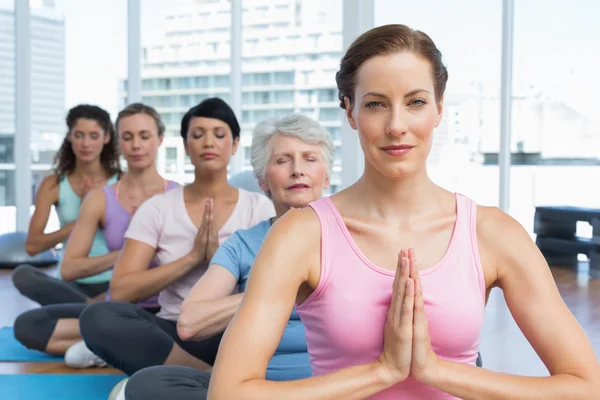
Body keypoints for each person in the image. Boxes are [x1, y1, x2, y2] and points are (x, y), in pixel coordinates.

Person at [206, 24, 600, 400]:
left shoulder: (492, 232)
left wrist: (435, 370)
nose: (397, 126)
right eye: (376, 104)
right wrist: (382, 371)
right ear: (350, 113)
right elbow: (228, 392)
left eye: (415, 102)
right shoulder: (301, 234)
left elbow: (585, 387)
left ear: (439, 109)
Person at [123, 114, 335, 400]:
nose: (297, 170)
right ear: (262, 179)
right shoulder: (243, 243)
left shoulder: (352, 238)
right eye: (283, 161)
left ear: (327, 175)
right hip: (253, 391)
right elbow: (189, 322)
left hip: (332, 388)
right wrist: (279, 289)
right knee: (146, 384)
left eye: (309, 158)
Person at [78, 98, 275, 389]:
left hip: (237, 331)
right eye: (197, 135)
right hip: (174, 332)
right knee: (98, 318)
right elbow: (120, 290)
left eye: (219, 135)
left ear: (234, 145)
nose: (208, 142)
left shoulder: (259, 208)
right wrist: (192, 258)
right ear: (185, 145)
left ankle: (184, 380)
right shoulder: (158, 208)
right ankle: (211, 379)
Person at [13, 103, 178, 368]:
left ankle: (106, 342)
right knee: (28, 325)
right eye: (128, 137)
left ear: (160, 139)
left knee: (107, 320)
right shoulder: (100, 197)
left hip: (160, 309)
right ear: (118, 141)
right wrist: (130, 249)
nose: (136, 145)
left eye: (144, 136)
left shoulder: (178, 196)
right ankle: (111, 343)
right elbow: (66, 267)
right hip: (110, 303)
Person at [12, 104, 121, 306]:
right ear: (69, 137)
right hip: (69, 282)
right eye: (79, 135)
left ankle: (80, 310)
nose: (85, 143)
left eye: (93, 136)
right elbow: (33, 246)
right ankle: (91, 307)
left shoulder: (122, 182)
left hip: (113, 280)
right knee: (23, 275)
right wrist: (83, 218)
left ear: (106, 138)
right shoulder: (53, 185)